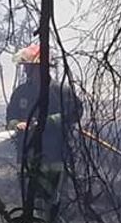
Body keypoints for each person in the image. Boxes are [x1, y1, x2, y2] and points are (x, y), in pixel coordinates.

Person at [5, 43, 83, 206]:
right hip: (27, 158)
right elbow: (11, 116)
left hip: (55, 157)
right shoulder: (21, 92)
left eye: (29, 67)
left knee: (54, 205)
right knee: (31, 206)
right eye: (25, 67)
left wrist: (46, 122)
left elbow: (75, 113)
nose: (26, 71)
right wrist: (16, 124)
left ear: (42, 67)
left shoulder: (61, 91)